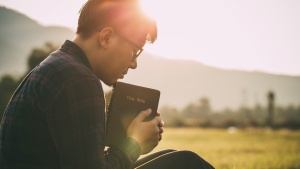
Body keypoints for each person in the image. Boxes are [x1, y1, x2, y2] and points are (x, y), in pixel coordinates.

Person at [0, 0, 214, 168]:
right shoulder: (78, 79)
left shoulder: (58, 66)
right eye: (134, 51)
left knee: (173, 157)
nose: (134, 64)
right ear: (107, 38)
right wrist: (134, 144)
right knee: (187, 163)